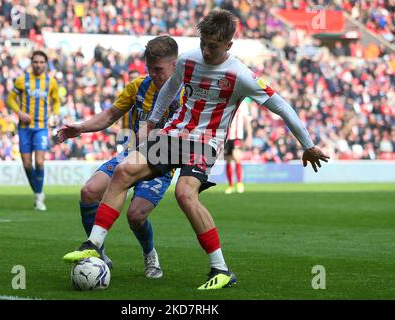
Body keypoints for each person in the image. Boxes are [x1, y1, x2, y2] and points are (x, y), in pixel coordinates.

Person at [63, 9, 329, 290]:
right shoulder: (188, 60)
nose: (205, 50)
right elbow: (169, 89)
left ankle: (221, 269)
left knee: (184, 194)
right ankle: (93, 244)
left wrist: (308, 145)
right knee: (123, 170)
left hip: (205, 143)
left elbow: (283, 107)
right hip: (173, 133)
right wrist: (153, 120)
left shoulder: (241, 75)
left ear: (228, 45)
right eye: (203, 42)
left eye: (213, 46)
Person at [58, 35, 182, 278]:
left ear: (174, 66)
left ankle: (150, 254)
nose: (153, 75)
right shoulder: (138, 87)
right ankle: (98, 253)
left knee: (135, 216)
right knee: (89, 191)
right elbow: (110, 115)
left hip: (161, 163)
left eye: (158, 69)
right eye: (149, 69)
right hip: (131, 155)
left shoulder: (187, 94)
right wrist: (81, 128)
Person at [7, 50, 60, 211]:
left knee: (39, 161)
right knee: (27, 164)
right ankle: (38, 193)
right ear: (31, 63)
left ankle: (38, 196)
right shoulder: (22, 80)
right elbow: (10, 99)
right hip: (24, 128)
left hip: (41, 127)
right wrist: (19, 112)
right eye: (36, 62)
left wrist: (56, 114)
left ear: (45, 64)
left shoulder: (51, 82)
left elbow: (56, 101)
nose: (38, 65)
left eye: (41, 62)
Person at [224, 98, 252, 194]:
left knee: (237, 158)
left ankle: (239, 183)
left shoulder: (243, 104)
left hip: (237, 136)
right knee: (227, 160)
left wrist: (249, 136)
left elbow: (246, 121)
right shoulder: (225, 101)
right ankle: (231, 185)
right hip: (226, 137)